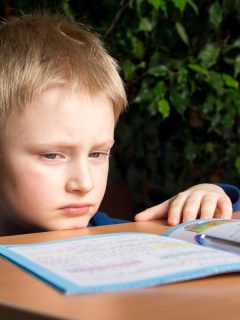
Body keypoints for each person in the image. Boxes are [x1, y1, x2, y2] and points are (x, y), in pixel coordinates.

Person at [0, 13, 239, 237]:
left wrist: (211, 197)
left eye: (97, 154)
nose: (85, 183)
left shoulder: (108, 235)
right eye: (52, 155)